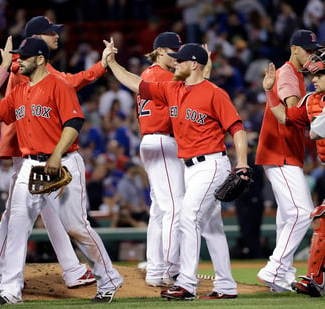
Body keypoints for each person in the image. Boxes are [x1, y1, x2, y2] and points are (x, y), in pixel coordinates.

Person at [0, 37, 123, 304]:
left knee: (76, 227)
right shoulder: (19, 91)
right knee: (17, 225)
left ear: (40, 59)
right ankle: (10, 290)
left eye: (24, 57)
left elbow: (74, 122)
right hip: (30, 164)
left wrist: (55, 155)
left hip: (63, 161)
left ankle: (109, 278)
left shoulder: (58, 85)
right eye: (17, 57)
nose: (18, 62)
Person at [105, 40, 249, 300]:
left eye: (180, 60)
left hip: (212, 164)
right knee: (212, 228)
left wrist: (242, 163)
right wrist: (113, 63)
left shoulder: (214, 93)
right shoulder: (173, 89)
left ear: (193, 64)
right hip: (190, 168)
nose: (175, 62)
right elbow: (138, 85)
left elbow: (237, 129)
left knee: (188, 215)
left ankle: (186, 283)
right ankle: (226, 287)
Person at [255, 29, 322, 292]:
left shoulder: (298, 75)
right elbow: (289, 113)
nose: (311, 55)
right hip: (280, 152)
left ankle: (282, 278)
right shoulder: (287, 75)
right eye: (308, 50)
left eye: (314, 50)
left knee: (286, 219)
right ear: (294, 49)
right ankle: (274, 268)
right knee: (302, 213)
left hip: (286, 153)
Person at [133, 32, 184, 287]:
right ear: (160, 51)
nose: (178, 57)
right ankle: (170, 270)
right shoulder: (164, 76)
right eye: (173, 52)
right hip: (163, 141)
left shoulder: (146, 75)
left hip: (151, 141)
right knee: (175, 207)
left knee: (159, 209)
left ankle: (155, 270)